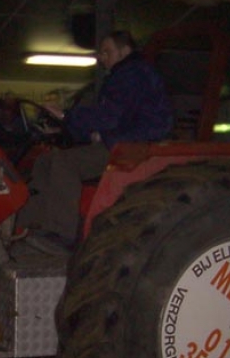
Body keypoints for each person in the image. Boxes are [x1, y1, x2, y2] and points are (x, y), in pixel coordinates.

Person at [16, 30, 173, 253]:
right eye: (101, 53)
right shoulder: (124, 75)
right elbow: (108, 119)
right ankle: (31, 225)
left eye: (107, 52)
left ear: (124, 51)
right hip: (120, 140)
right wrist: (65, 127)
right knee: (44, 161)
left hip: (133, 144)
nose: (102, 57)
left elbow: (110, 117)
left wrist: (67, 115)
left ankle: (61, 233)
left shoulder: (133, 74)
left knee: (64, 162)